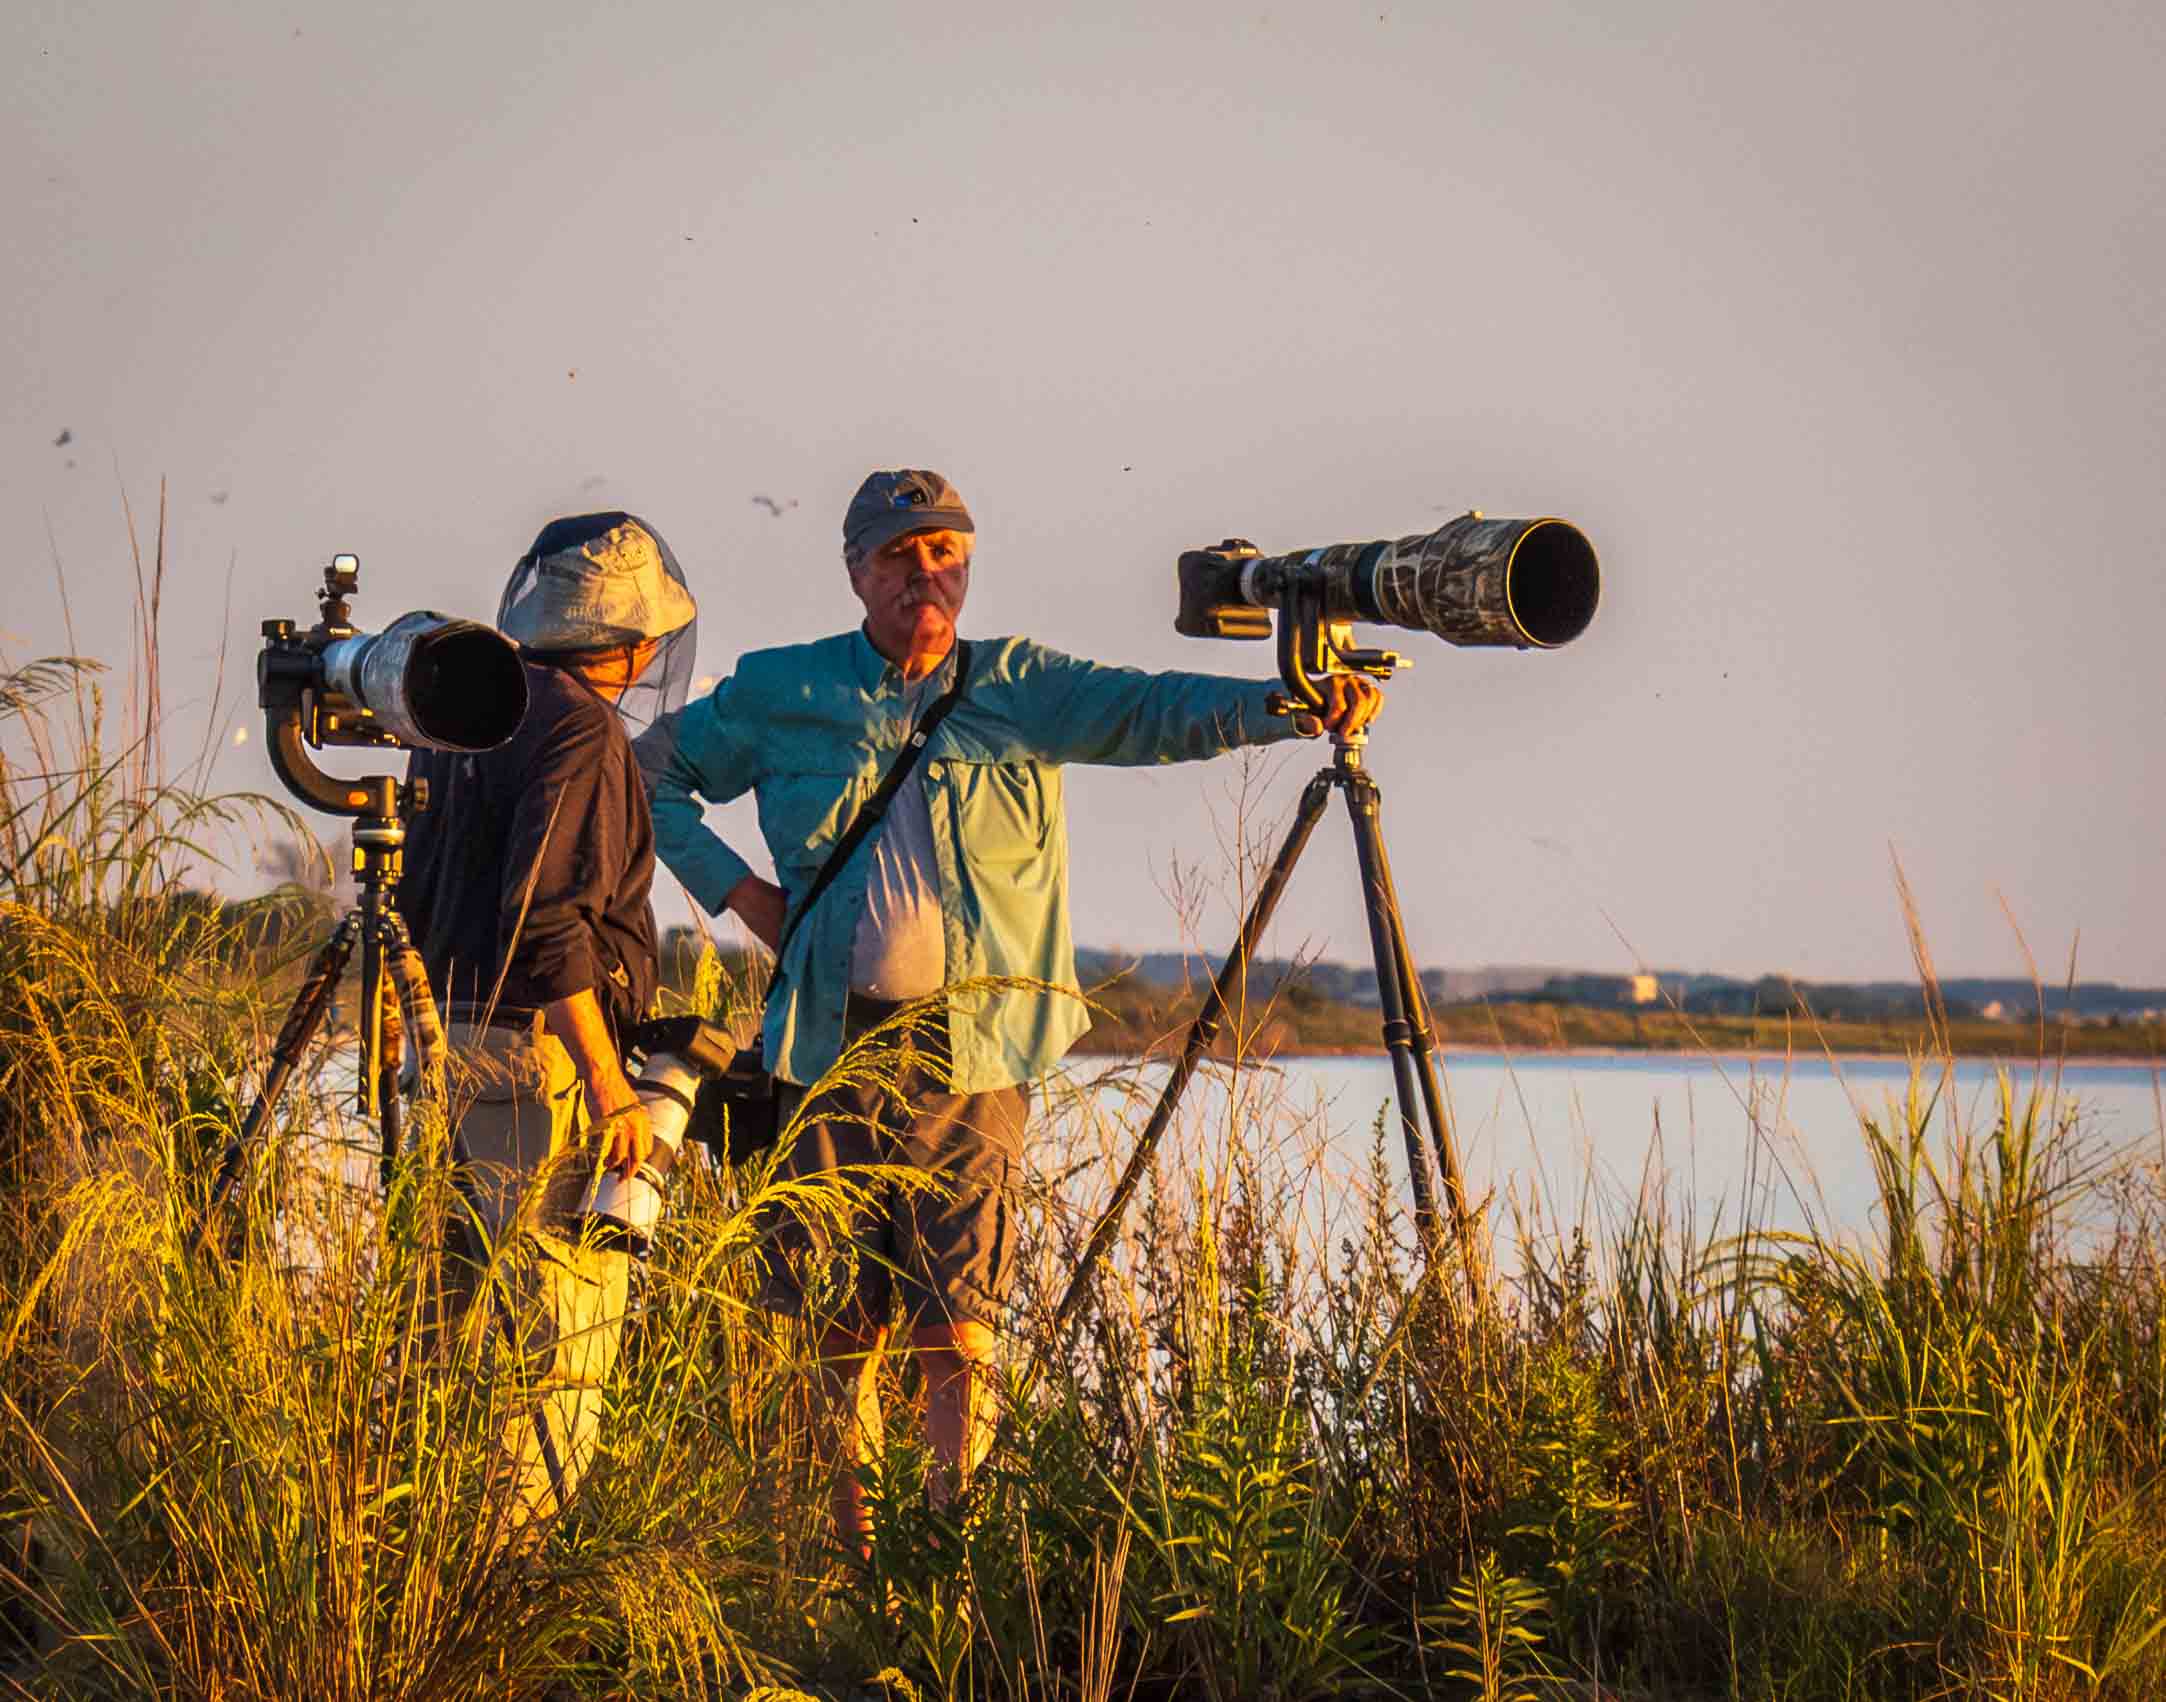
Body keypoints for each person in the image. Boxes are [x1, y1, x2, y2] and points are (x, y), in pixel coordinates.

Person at [637, 469, 1377, 1554]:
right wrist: (738, 891)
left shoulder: (1021, 684)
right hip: (825, 1047)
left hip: (972, 1052)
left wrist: (1287, 705)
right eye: (898, 558)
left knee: (959, 1332)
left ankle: (947, 1563)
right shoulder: (785, 690)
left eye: (944, 555)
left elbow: (1151, 710)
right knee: (833, 1332)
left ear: (968, 565)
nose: (924, 578)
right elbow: (651, 769)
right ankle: (851, 1573)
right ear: (856, 572)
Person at [399, 510, 698, 1525]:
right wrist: (612, 1086)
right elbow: (554, 928)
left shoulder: (465, 711)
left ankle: (424, 1555)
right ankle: (516, 1569)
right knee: (556, 1332)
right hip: (543, 1067)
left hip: (446, 1043)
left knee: (451, 1325)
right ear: (629, 638)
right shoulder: (579, 726)